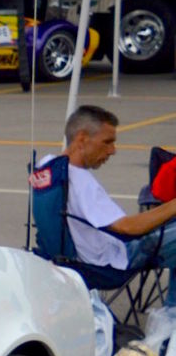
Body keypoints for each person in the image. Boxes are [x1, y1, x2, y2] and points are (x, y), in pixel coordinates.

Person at [51, 106, 176, 329]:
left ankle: (171, 315)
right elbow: (129, 228)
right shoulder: (81, 183)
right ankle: (172, 317)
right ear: (82, 138)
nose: (112, 151)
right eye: (107, 142)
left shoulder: (50, 167)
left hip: (70, 256)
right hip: (114, 261)